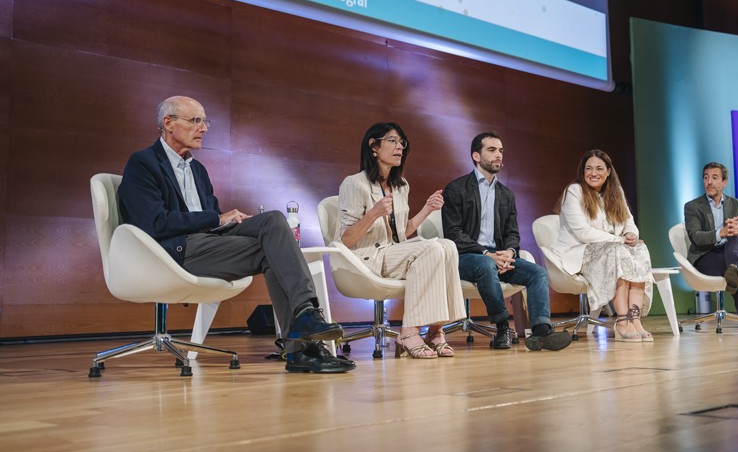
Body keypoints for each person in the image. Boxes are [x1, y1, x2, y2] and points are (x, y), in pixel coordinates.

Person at [119, 95, 355, 373]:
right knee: (274, 252)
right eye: (196, 120)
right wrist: (217, 218)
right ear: (168, 123)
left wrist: (223, 222)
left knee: (274, 221)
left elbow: (210, 220)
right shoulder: (143, 163)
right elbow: (154, 223)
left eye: (205, 121)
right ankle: (301, 347)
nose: (204, 128)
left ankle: (305, 317)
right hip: (177, 251)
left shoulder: (198, 170)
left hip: (209, 240)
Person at [336, 122, 466, 359]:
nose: (400, 148)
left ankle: (436, 329)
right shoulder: (354, 183)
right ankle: (408, 332)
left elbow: (402, 233)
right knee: (431, 249)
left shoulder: (401, 185)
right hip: (366, 257)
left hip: (393, 251)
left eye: (402, 143)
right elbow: (346, 239)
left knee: (447, 246)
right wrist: (373, 213)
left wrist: (427, 209)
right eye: (392, 141)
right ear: (374, 146)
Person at [442, 132, 572, 351]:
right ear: (476, 155)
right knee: (485, 265)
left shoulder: (506, 195)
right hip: (466, 258)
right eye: (491, 150)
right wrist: (487, 254)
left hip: (499, 257)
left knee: (537, 273)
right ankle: (502, 327)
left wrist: (510, 252)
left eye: (501, 151)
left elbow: (512, 233)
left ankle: (541, 331)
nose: (498, 155)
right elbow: (454, 234)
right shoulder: (456, 189)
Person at [551, 149, 655, 342]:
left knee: (640, 249)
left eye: (599, 168)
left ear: (608, 171)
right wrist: (620, 240)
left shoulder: (616, 193)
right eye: (588, 168)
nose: (593, 173)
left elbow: (628, 221)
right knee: (617, 252)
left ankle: (635, 319)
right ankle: (622, 321)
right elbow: (583, 232)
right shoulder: (574, 191)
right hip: (579, 251)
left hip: (611, 249)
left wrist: (631, 234)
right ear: (582, 172)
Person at [683, 162, 738, 336]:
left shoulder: (736, 204)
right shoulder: (692, 206)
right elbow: (696, 237)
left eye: (714, 178)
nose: (709, 182)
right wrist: (720, 233)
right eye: (706, 178)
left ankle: (735, 269)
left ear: (724, 182)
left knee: (736, 236)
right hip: (705, 256)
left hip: (731, 254)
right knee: (733, 264)